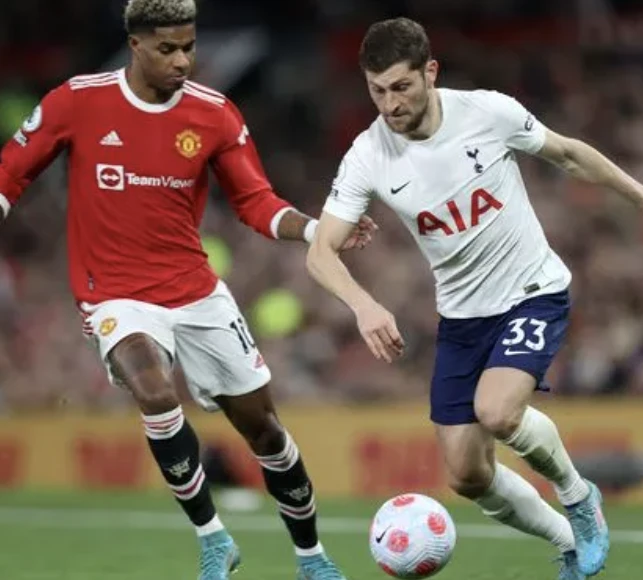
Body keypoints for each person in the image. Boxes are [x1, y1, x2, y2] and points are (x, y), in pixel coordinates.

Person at [306, 17, 643, 580]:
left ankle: (579, 496)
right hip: (462, 319)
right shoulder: (368, 154)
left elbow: (569, 154)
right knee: (467, 475)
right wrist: (363, 304)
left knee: (496, 411)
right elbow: (320, 252)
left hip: (532, 291)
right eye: (377, 91)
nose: (390, 104)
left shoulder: (486, 112)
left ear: (430, 72)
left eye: (401, 87)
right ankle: (569, 543)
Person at [0, 1, 376, 579]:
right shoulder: (77, 100)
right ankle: (213, 538)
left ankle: (312, 557)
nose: (182, 61)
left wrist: (315, 229)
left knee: (265, 432)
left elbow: (256, 202)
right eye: (167, 49)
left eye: (189, 47)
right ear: (135, 45)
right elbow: (11, 171)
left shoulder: (214, 113)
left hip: (197, 294)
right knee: (154, 392)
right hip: (114, 295)